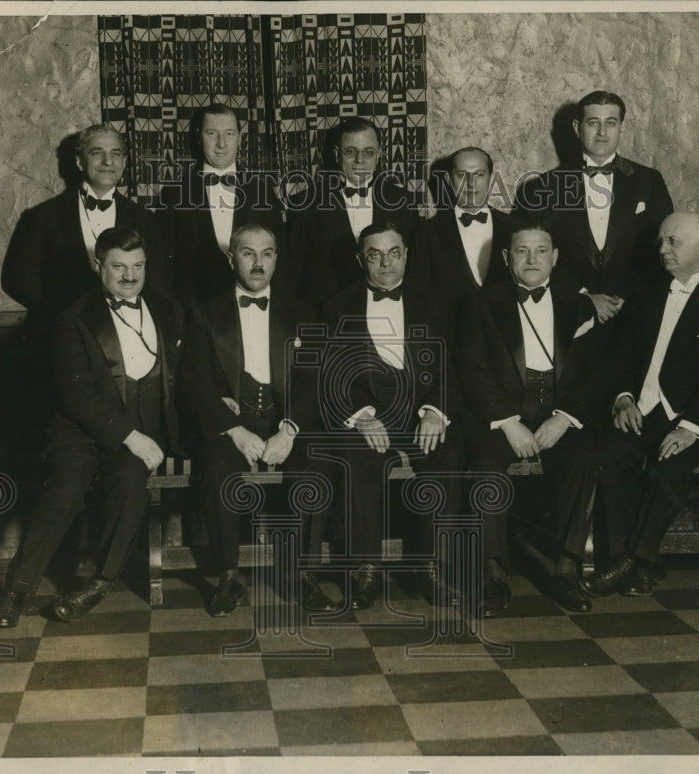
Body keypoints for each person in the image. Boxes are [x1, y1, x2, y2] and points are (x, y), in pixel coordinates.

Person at [0, 227, 183, 627]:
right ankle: (16, 589)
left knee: (132, 483)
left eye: (138, 266)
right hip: (79, 432)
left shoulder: (167, 310)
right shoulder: (72, 318)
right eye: (118, 266)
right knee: (65, 489)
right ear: (99, 266)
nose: (129, 276)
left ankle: (98, 584)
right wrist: (131, 437)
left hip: (139, 437)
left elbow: (181, 375)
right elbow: (76, 398)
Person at [581, 212, 699, 597]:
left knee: (670, 464)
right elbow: (619, 360)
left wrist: (689, 428)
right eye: (661, 241)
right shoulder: (646, 296)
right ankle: (637, 564)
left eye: (672, 241)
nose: (662, 250)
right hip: (642, 411)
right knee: (611, 453)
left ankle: (631, 562)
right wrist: (623, 400)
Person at [176, 223, 332, 616]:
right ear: (232, 259)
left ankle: (305, 577)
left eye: (266, 253)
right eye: (248, 253)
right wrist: (233, 429)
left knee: (314, 466)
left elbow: (314, 379)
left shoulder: (303, 312)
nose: (258, 263)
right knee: (215, 468)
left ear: (277, 259)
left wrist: (291, 429)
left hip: (285, 421)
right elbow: (192, 380)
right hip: (232, 423)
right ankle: (228, 578)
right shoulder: (205, 313)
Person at [457, 218, 601, 615]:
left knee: (584, 459)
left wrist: (565, 417)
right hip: (503, 416)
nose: (532, 259)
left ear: (554, 257)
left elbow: (595, 374)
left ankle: (568, 570)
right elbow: (472, 371)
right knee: (485, 466)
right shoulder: (481, 303)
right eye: (522, 250)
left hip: (559, 412)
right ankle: (493, 575)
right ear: (506, 258)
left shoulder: (579, 304)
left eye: (541, 251)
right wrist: (507, 421)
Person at [320, 222, 464, 610]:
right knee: (354, 457)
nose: (385, 263)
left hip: (420, 413)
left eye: (394, 252)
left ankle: (432, 569)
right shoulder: (337, 305)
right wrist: (361, 415)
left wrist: (435, 411)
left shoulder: (435, 301)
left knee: (447, 455)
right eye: (374, 254)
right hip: (369, 415)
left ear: (406, 255)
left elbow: (454, 365)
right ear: (359, 259)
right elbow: (330, 373)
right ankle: (365, 568)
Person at [513, 91, 673, 328]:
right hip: (569, 314)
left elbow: (665, 248)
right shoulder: (544, 186)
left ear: (621, 127)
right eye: (593, 123)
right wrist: (583, 298)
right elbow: (533, 254)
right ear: (578, 128)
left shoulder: (649, 181)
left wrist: (626, 295)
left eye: (611, 123)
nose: (602, 132)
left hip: (633, 314)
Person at [1, 124, 171, 322]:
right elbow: (18, 278)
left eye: (115, 154)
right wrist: (63, 313)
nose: (108, 161)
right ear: (80, 162)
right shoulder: (43, 216)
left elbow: (159, 281)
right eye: (97, 153)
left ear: (124, 163)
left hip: (127, 330)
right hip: (60, 333)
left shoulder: (144, 219)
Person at [283, 117, 418, 305]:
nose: (359, 160)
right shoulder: (305, 202)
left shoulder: (403, 200)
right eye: (350, 152)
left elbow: (415, 267)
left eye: (368, 152)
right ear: (338, 154)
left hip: (388, 308)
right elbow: (291, 272)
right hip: (324, 315)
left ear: (379, 154)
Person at [163, 103, 287, 306]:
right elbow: (164, 268)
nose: (221, 143)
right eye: (212, 133)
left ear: (239, 137)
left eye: (229, 133)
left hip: (252, 309)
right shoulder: (174, 193)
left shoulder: (261, 191)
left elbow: (281, 262)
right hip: (193, 312)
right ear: (199, 137)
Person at [409, 147, 513, 310]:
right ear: (450, 181)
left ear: (490, 179)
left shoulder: (515, 228)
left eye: (479, 174)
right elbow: (418, 297)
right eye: (461, 175)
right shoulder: (426, 233)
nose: (470, 184)